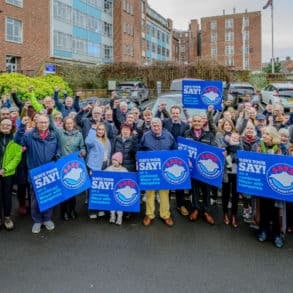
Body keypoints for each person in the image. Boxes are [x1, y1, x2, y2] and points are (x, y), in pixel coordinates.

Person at [18, 114, 60, 234]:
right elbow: (18, 141)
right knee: (35, 199)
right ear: (36, 123)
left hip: (49, 173)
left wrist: (57, 155)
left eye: (46, 122)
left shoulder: (53, 135)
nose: (43, 124)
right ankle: (37, 220)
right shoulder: (29, 135)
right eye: (41, 122)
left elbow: (59, 149)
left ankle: (47, 219)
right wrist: (21, 127)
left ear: (48, 123)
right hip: (35, 173)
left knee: (49, 197)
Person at [49, 111, 86, 221]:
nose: (69, 125)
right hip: (62, 165)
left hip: (74, 165)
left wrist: (82, 152)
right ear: (64, 124)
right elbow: (51, 124)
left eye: (71, 123)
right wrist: (50, 113)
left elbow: (82, 147)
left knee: (73, 190)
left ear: (73, 124)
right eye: (67, 123)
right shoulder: (60, 132)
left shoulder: (79, 134)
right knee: (64, 190)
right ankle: (64, 211)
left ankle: (72, 210)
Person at [139, 118, 177, 227]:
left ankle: (165, 214)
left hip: (165, 170)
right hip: (150, 169)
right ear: (150, 126)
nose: (156, 127)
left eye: (158, 125)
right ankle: (149, 214)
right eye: (153, 125)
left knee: (164, 193)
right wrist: (139, 161)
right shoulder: (145, 136)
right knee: (149, 193)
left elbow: (175, 150)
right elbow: (140, 149)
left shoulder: (168, 135)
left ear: (161, 126)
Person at [184, 114, 216, 225]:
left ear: (203, 123)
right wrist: (185, 159)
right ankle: (195, 209)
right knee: (194, 190)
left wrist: (221, 153)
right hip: (192, 168)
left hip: (205, 169)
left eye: (199, 121)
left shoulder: (209, 135)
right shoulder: (186, 134)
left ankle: (207, 211)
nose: (197, 123)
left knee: (207, 190)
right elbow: (183, 149)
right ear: (192, 122)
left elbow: (214, 150)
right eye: (195, 121)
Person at [257, 126, 285, 248]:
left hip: (277, 183)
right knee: (263, 207)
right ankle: (263, 230)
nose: (264, 136)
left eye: (267, 134)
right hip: (262, 183)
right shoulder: (258, 147)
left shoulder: (281, 148)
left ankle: (277, 234)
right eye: (263, 134)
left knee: (276, 210)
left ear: (273, 136)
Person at [162, 105, 190, 216]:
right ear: (170, 113)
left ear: (179, 114)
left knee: (179, 181)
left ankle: (180, 205)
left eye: (177, 113)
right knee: (167, 181)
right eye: (173, 113)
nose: (175, 115)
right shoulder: (165, 122)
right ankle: (166, 206)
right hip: (167, 155)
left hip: (180, 157)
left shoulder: (185, 126)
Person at [85, 122, 111, 219]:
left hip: (104, 166)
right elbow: (88, 142)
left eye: (102, 130)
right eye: (98, 130)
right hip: (94, 167)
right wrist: (92, 130)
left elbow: (108, 154)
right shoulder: (93, 139)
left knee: (101, 188)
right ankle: (92, 210)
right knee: (93, 189)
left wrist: (109, 167)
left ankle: (100, 208)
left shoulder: (107, 141)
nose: (100, 131)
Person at [0, 119, 22, 230]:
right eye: (3, 124)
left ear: (11, 126)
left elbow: (17, 158)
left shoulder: (16, 139)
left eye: (8, 125)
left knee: (7, 196)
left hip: (8, 173)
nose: (5, 126)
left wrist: (5, 169)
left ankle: (7, 218)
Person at [221, 131, 243, 228]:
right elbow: (229, 164)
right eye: (232, 137)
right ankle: (225, 213)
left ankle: (234, 215)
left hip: (237, 175)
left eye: (236, 138)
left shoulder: (241, 149)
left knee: (235, 196)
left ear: (239, 139)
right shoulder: (225, 148)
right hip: (226, 174)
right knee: (225, 194)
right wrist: (227, 158)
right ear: (229, 138)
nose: (234, 139)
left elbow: (237, 161)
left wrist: (228, 158)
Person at [105, 152, 128, 225]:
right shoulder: (109, 169)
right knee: (112, 204)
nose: (114, 161)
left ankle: (119, 217)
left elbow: (129, 178)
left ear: (120, 161)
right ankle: (112, 216)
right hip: (111, 191)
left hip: (120, 192)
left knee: (119, 205)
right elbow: (102, 175)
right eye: (113, 160)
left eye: (116, 160)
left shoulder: (124, 170)